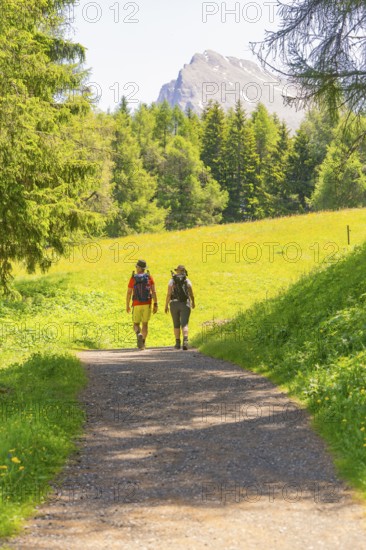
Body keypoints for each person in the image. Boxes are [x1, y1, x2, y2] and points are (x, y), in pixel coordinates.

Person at [126, 260, 158, 350]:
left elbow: (129, 293)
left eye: (136, 267)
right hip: (147, 303)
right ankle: (143, 343)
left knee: (136, 324)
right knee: (145, 324)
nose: (136, 268)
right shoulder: (149, 277)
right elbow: (154, 291)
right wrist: (155, 304)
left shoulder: (133, 278)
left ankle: (138, 333)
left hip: (136, 304)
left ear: (139, 268)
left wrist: (127, 305)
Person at [165, 265, 195, 350]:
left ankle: (177, 343)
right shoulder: (187, 280)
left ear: (177, 271)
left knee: (176, 324)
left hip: (174, 304)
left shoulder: (172, 280)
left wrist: (166, 305)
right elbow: (191, 294)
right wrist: (193, 302)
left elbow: (168, 294)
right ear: (184, 271)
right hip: (185, 303)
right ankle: (185, 341)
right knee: (184, 324)